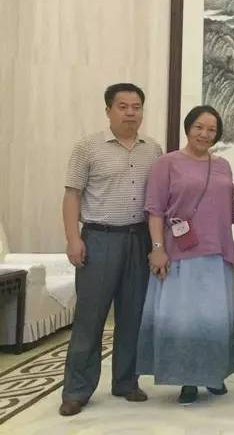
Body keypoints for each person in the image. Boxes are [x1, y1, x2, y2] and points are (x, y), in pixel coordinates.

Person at [59, 83, 162, 417]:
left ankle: (126, 382)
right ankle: (76, 390)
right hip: (99, 238)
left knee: (133, 315)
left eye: (136, 107)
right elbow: (72, 195)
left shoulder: (153, 149)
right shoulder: (87, 147)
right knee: (90, 318)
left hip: (138, 239)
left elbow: (157, 201)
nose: (131, 113)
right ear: (108, 111)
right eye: (123, 106)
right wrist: (73, 239)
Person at [137, 105, 234, 405]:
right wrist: (157, 249)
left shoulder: (222, 165)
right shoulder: (166, 163)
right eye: (199, 127)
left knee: (214, 318)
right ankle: (188, 379)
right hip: (181, 253)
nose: (205, 134)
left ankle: (214, 374)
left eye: (211, 130)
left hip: (217, 253)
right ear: (187, 128)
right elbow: (155, 211)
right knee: (185, 319)